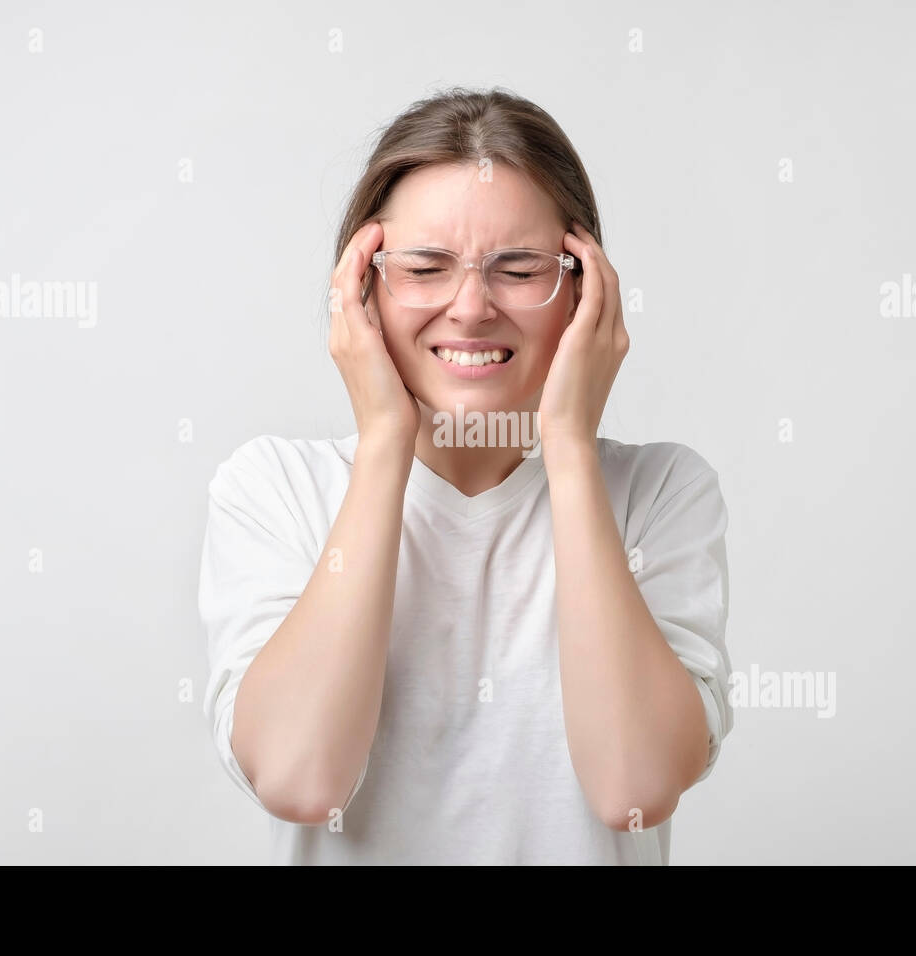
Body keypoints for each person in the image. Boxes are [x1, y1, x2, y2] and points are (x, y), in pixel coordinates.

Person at [198, 86, 733, 865]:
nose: (472, 307)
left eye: (519, 268)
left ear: (585, 290)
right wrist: (386, 438)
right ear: (362, 290)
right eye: (425, 267)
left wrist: (570, 450)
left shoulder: (661, 495)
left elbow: (635, 790)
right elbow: (302, 780)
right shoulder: (274, 489)